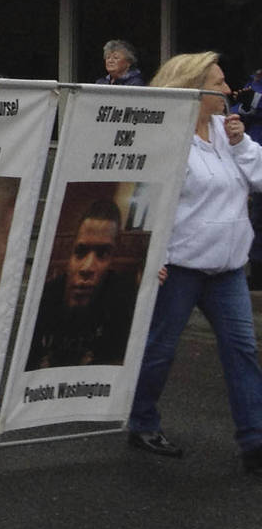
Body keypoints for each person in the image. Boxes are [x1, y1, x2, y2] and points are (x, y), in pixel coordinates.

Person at [125, 52, 262, 472]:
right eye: (219, 83)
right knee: (159, 350)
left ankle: (255, 443)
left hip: (227, 269)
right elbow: (145, 200)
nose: (228, 90)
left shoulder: (230, 131)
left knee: (242, 351)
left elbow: (259, 179)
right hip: (181, 267)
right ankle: (142, 421)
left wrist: (241, 146)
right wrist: (154, 257)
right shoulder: (166, 137)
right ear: (192, 89)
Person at [26, 197, 137, 369]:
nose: (87, 268)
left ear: (113, 258)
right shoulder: (47, 296)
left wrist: (156, 279)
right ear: (69, 254)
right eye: (80, 252)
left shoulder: (122, 298)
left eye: (102, 254)